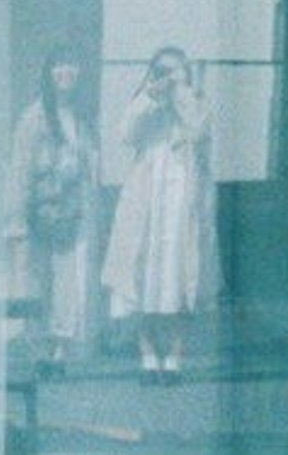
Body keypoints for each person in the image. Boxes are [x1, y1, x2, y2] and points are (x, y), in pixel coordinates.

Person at [103, 45, 214, 376]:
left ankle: (175, 355)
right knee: (142, 279)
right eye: (161, 70)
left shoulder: (197, 102)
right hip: (146, 205)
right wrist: (151, 97)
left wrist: (180, 92)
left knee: (179, 280)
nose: (167, 76)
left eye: (174, 70)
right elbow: (125, 134)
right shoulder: (145, 103)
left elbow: (198, 129)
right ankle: (147, 352)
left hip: (183, 204)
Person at [7, 48, 100, 367]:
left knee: (69, 280)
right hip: (41, 211)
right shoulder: (34, 117)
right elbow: (20, 168)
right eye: (60, 65)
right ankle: (39, 348)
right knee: (39, 278)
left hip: (75, 212)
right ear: (49, 73)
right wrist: (17, 217)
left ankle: (60, 349)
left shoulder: (81, 117)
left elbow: (91, 168)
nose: (66, 72)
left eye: (72, 65)